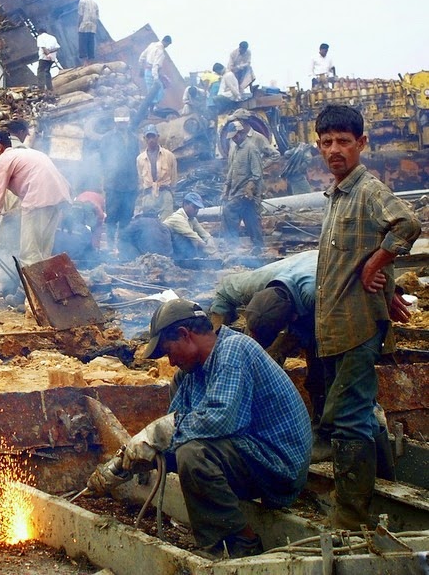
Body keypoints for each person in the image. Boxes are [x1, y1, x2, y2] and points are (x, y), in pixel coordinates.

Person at [90, 299, 311, 559]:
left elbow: (222, 420)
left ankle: (242, 544)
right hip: (246, 454)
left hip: (278, 465)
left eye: (169, 351)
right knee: (183, 449)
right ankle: (222, 536)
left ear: (185, 335)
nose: (170, 361)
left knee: (193, 455)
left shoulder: (233, 351)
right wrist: (126, 463)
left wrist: (157, 434)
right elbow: (176, 435)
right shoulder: (189, 375)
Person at [313, 105, 421, 528]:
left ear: (362, 144)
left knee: (348, 416)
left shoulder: (367, 189)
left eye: (343, 141)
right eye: (327, 142)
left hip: (357, 324)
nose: (335, 150)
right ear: (318, 146)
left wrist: (377, 265)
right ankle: (384, 485)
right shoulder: (337, 195)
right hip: (338, 322)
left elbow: (406, 224)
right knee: (360, 408)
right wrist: (384, 277)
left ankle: (350, 514)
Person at [209, 250, 323, 418]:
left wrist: (282, 346)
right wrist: (214, 341)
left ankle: (321, 416)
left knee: (320, 363)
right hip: (298, 271)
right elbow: (223, 292)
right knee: (253, 351)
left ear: (293, 318)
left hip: (327, 277)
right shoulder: (252, 284)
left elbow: (321, 336)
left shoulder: (316, 296)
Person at [0, 130, 72, 267]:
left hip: (37, 200)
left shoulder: (2, 160)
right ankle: (43, 287)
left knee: (29, 254)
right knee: (43, 252)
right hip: (58, 199)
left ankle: (31, 288)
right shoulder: (30, 153)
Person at [221, 120, 264, 253]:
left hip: (246, 192)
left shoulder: (251, 149)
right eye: (232, 137)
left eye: (236, 135)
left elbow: (257, 174)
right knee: (250, 217)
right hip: (235, 191)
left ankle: (232, 245)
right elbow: (231, 171)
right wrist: (226, 189)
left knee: (229, 210)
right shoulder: (234, 149)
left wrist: (249, 187)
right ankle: (258, 245)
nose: (234, 139)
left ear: (241, 133)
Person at [100, 108, 140, 249]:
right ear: (115, 122)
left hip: (130, 185)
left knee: (126, 217)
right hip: (113, 185)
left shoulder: (134, 139)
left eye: (124, 122)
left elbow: (137, 161)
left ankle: (123, 248)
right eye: (120, 122)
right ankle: (111, 247)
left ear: (128, 121)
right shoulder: (106, 139)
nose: (122, 124)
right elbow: (103, 160)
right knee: (112, 217)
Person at [136, 124, 178, 219]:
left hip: (165, 193)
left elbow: (174, 176)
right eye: (148, 137)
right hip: (148, 194)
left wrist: (171, 193)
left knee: (166, 223)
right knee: (149, 223)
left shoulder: (169, 155)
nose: (151, 140)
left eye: (153, 136)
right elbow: (140, 179)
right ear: (144, 139)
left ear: (157, 137)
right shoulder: (140, 159)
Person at [162, 192, 216, 259]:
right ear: (185, 204)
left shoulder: (192, 219)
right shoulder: (178, 218)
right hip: (168, 250)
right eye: (194, 207)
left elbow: (204, 234)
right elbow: (192, 235)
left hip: (178, 248)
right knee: (189, 239)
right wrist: (209, 249)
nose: (196, 210)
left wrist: (209, 240)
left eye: (198, 208)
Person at [136, 35, 172, 121]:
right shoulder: (160, 51)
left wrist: (141, 68)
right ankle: (151, 113)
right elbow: (155, 66)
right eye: (168, 45)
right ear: (166, 42)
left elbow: (142, 57)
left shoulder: (152, 45)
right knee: (157, 93)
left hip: (147, 72)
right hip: (153, 73)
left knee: (152, 93)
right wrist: (156, 78)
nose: (167, 46)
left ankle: (151, 110)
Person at [77, 0, 99, 66]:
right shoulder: (95, 4)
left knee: (83, 44)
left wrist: (78, 24)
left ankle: (85, 63)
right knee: (90, 44)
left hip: (84, 25)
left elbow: (80, 14)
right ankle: (91, 62)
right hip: (92, 27)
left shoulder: (82, 1)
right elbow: (97, 17)